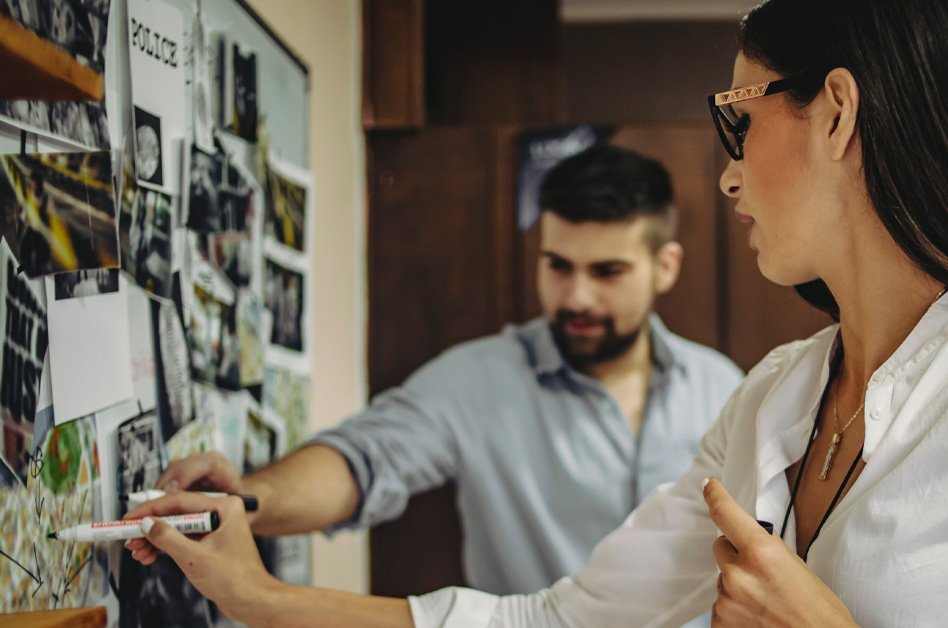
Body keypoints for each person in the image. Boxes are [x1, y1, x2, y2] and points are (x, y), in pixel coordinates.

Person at [127, 0, 948, 625]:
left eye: (737, 118)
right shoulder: (775, 400)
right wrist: (257, 596)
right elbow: (553, 623)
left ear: (837, 112)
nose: (728, 178)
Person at [126, 145, 743, 625]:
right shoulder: (480, 377)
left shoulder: (726, 390)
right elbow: (365, 458)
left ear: (665, 267)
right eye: (558, 265)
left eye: (607, 271)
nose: (576, 296)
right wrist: (247, 498)